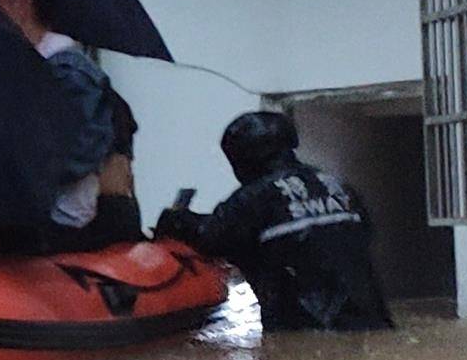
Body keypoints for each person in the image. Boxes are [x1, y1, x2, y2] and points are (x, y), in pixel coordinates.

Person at [153, 108, 394, 331]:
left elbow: (210, 236)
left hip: (306, 334)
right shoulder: (339, 187)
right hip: (372, 322)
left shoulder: (252, 198)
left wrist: (176, 221)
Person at [0, 0, 147, 250]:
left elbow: (79, 150)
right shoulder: (35, 70)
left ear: (23, 4)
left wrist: (15, 172)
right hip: (59, 222)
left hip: (74, 227)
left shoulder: (68, 72)